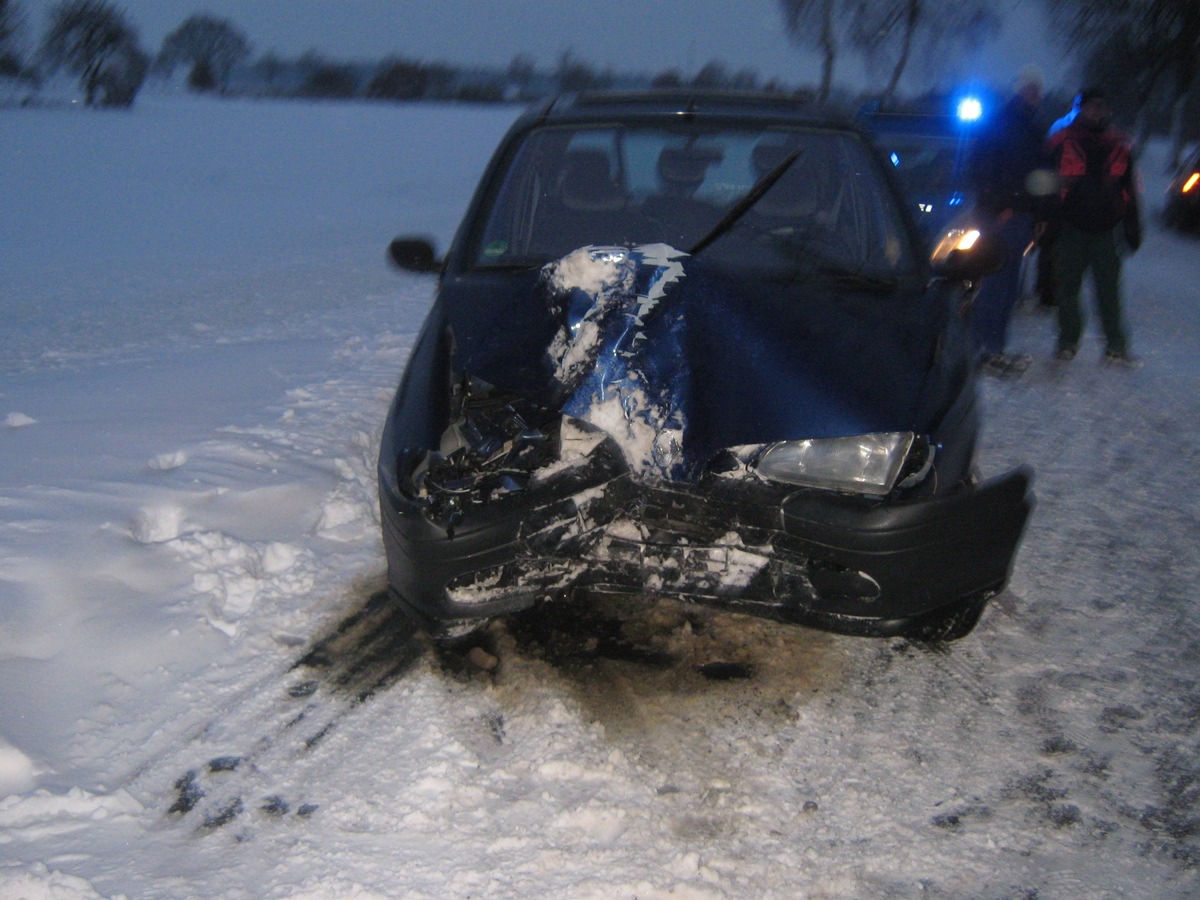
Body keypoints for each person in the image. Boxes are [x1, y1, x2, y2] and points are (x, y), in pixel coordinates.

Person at [1045, 87, 1142, 368]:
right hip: (1070, 228)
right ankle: (1067, 341)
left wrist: (1133, 226)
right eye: (1091, 106)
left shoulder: (1120, 144)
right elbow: (1048, 186)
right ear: (1080, 109)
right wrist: (1047, 224)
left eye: (1101, 106)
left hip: (1106, 230)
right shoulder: (1060, 141)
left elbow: (1130, 190)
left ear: (1108, 110)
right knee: (1067, 290)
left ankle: (1116, 346)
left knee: (1109, 291)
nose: (1096, 111)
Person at [965, 64, 1051, 377]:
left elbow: (1040, 177)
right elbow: (982, 168)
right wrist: (1000, 205)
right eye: (1030, 89)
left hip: (1022, 216)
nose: (1035, 95)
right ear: (1019, 90)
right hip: (999, 216)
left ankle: (996, 347)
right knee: (994, 282)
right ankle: (980, 348)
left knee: (1010, 286)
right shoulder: (998, 123)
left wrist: (1040, 215)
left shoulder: (1034, 128)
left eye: (1038, 90)